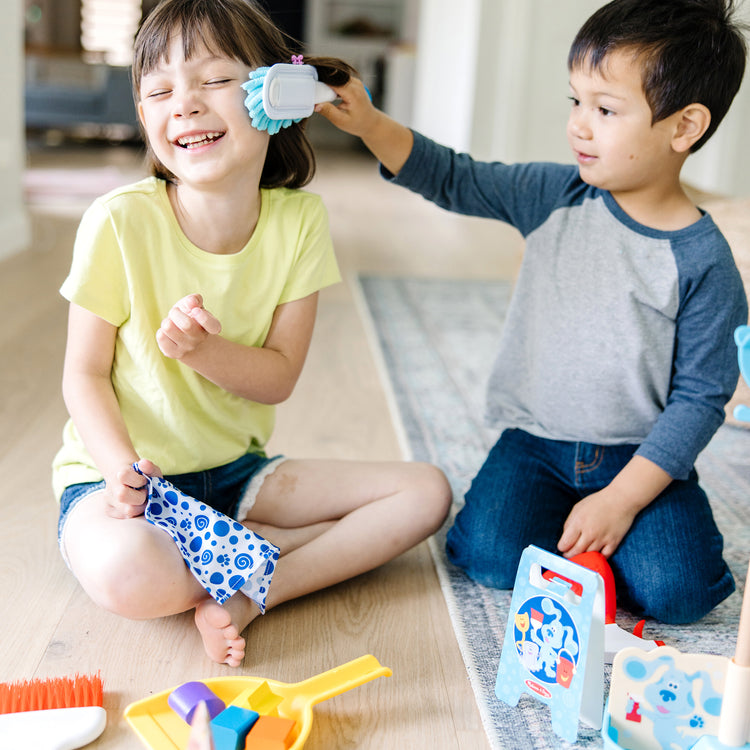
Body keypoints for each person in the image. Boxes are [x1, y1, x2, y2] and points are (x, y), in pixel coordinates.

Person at [318, 0, 748, 624]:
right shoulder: (554, 195)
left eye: (604, 109)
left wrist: (623, 501)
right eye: (575, 102)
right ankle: (589, 541)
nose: (578, 124)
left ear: (684, 128)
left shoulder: (705, 261)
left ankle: (626, 528)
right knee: (489, 556)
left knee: (679, 594)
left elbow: (700, 400)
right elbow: (454, 176)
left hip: (639, 457)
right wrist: (369, 125)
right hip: (535, 443)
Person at [53, 0, 451, 667]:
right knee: (132, 573)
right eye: (159, 91)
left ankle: (251, 588)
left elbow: (279, 376)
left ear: (278, 96)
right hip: (121, 481)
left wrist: (204, 352)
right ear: (147, 117)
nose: (184, 104)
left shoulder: (300, 222)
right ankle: (261, 550)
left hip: (235, 476)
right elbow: (83, 374)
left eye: (214, 81)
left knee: (426, 493)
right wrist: (121, 470)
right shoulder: (117, 222)